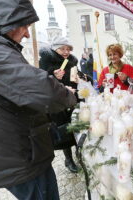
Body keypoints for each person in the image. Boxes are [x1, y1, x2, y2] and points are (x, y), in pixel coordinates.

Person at [0, 0, 77, 199]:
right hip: (18, 154)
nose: (28, 34)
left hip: (10, 148)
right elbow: (44, 91)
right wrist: (70, 96)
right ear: (6, 18)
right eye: (25, 26)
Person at [39, 36, 80, 173]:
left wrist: (80, 79)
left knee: (75, 126)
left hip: (72, 98)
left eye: (68, 49)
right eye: (62, 48)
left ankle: (78, 153)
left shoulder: (71, 62)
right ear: (54, 48)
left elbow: (74, 77)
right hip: (56, 102)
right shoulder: (46, 62)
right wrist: (53, 76)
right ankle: (68, 159)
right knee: (64, 130)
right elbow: (41, 81)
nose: (66, 51)